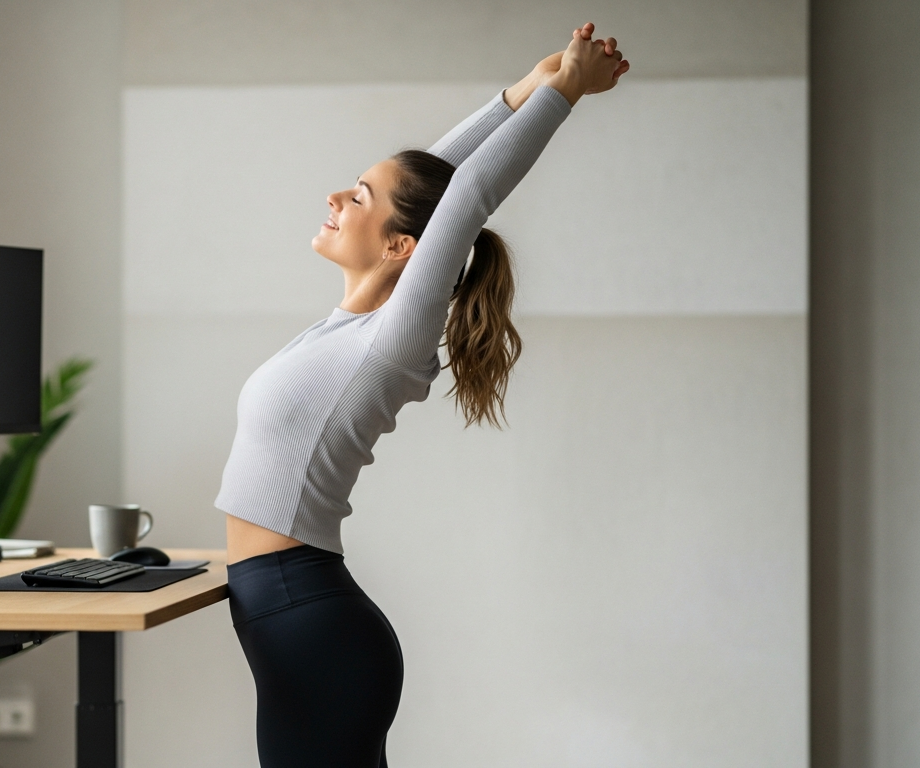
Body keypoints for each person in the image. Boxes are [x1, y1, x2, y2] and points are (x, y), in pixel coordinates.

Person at [215, 23, 630, 768]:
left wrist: (566, 92)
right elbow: (437, 175)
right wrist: (525, 89)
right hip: (289, 614)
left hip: (310, 623)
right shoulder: (346, 328)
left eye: (360, 194)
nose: (337, 196)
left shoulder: (394, 338)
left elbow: (461, 196)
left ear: (403, 245)